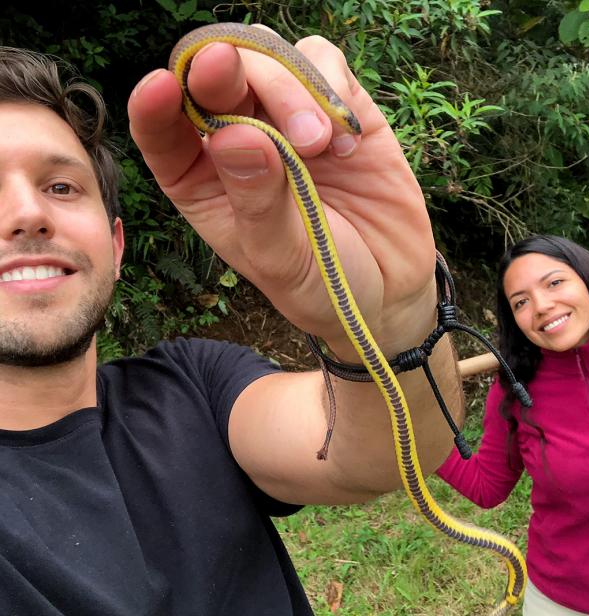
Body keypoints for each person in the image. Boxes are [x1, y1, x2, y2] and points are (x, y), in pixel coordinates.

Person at [0, 27, 463, 616]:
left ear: (116, 248)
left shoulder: (193, 385)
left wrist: (393, 313)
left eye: (60, 186)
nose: (27, 214)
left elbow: (376, 457)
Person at [437, 235, 589, 616]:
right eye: (521, 301)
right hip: (564, 601)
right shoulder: (516, 387)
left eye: (554, 283)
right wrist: (411, 430)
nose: (542, 306)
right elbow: (486, 486)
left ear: (588, 279)